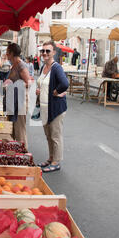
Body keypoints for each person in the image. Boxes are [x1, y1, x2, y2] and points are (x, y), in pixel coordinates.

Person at [36, 40, 69, 173]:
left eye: (47, 51)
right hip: (44, 107)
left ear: (53, 52)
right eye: (42, 51)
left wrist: (55, 92)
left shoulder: (56, 67)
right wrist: (39, 90)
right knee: (48, 135)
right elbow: (42, 83)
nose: (44, 53)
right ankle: (50, 158)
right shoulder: (43, 67)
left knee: (55, 135)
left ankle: (56, 162)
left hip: (55, 108)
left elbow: (64, 84)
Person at [3, 43, 31, 149]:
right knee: (13, 130)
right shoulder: (14, 65)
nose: (6, 54)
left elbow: (28, 82)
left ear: (12, 53)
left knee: (20, 132)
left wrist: (12, 85)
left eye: (7, 52)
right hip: (13, 102)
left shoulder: (21, 65)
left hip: (20, 103)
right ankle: (15, 153)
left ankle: (24, 154)